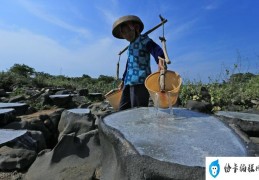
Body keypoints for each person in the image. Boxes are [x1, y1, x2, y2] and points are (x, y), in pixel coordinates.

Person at [112, 15, 165, 110]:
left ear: (136, 28)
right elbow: (128, 65)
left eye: (129, 31)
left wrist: (160, 60)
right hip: (128, 82)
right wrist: (123, 80)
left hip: (140, 81)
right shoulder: (130, 47)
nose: (127, 35)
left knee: (137, 111)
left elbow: (157, 50)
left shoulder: (144, 40)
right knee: (122, 109)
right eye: (124, 33)